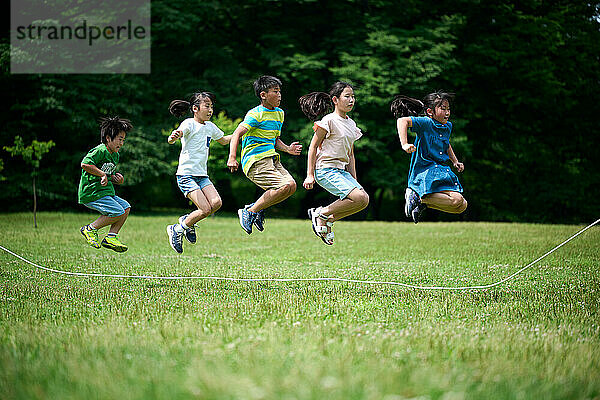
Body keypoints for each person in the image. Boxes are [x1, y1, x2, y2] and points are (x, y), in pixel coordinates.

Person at [227, 75, 302, 234]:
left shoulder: (279, 113)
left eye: (280, 91)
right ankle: (250, 211)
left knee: (292, 186)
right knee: (284, 186)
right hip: (256, 160)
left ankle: (256, 209)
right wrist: (232, 157)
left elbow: (274, 139)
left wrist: (288, 149)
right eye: (275, 91)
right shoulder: (255, 114)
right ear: (263, 95)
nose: (280, 95)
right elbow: (236, 134)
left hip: (273, 159)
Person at [300, 82, 369, 245]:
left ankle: (328, 219)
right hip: (325, 169)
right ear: (335, 100)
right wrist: (310, 175)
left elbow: (350, 153)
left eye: (353, 96)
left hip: (341, 171)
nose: (351, 100)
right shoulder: (329, 121)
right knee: (358, 197)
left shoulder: (351, 124)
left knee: (363, 200)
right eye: (347, 96)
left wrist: (354, 179)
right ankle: (321, 214)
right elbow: (313, 147)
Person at [165, 91, 232, 254]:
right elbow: (175, 136)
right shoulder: (188, 123)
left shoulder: (210, 126)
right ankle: (177, 229)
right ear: (195, 108)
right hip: (186, 175)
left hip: (202, 175)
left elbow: (223, 141)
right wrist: (173, 137)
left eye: (211, 107)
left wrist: (242, 133)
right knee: (205, 210)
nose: (210, 110)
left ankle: (186, 222)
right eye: (206, 106)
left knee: (216, 203)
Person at [391, 91, 467, 223]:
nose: (447, 112)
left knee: (461, 205)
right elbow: (402, 121)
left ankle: (420, 202)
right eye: (443, 109)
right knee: (457, 200)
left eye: (448, 109)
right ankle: (416, 196)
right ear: (430, 111)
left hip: (441, 170)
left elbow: (446, 143)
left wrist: (455, 161)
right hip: (425, 170)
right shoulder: (426, 123)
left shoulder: (447, 126)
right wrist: (404, 144)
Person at [78, 116, 133, 252]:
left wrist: (116, 179)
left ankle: (111, 237)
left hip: (105, 192)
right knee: (117, 211)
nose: (121, 143)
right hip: (92, 192)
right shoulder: (100, 150)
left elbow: (107, 173)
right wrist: (102, 174)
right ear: (108, 138)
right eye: (119, 139)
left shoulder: (115, 155)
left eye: (123, 140)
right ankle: (90, 229)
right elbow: (85, 164)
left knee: (126, 208)